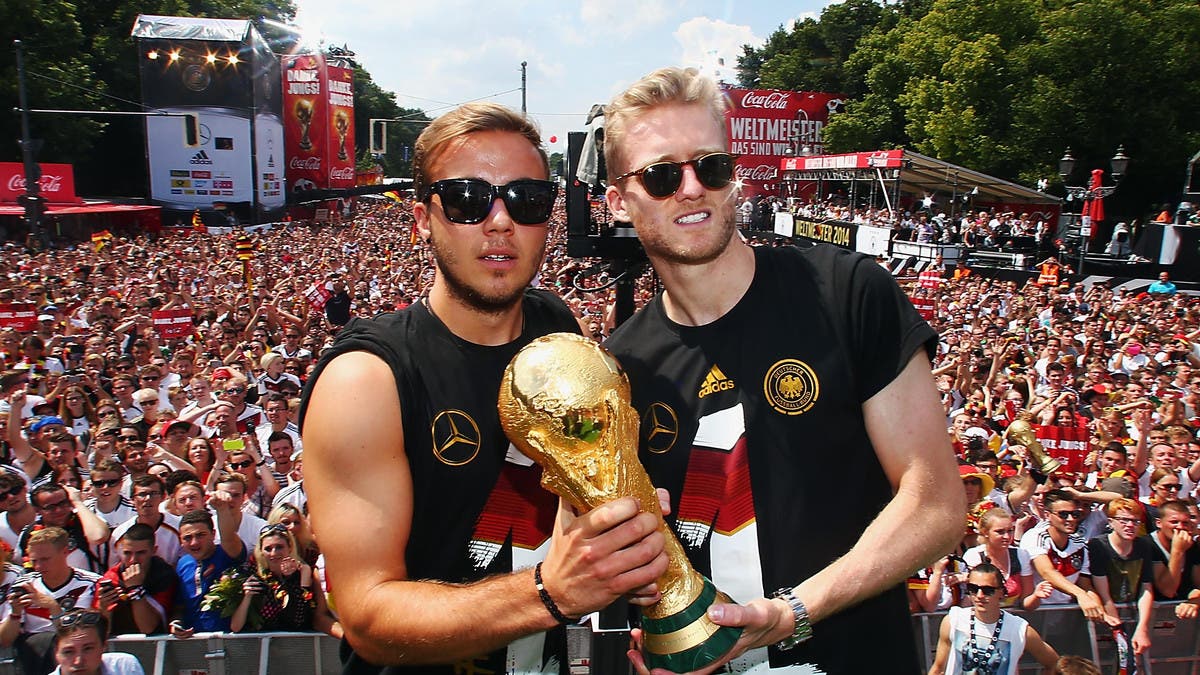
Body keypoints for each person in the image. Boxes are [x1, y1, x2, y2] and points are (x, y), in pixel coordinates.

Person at [601, 66, 964, 673]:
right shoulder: (620, 367)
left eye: (710, 166)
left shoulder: (847, 293)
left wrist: (792, 614)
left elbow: (936, 504)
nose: (691, 188)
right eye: (663, 176)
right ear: (618, 200)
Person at [301, 102, 668, 673]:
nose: (500, 221)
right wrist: (551, 593)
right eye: (468, 199)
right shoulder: (366, 379)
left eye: (526, 201)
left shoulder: (555, 328)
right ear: (423, 218)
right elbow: (367, 617)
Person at [928, 563, 1059, 675]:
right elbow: (938, 668)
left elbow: (1055, 664)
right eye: (973, 589)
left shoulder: (1019, 629)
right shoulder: (953, 620)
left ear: (1001, 592)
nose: (979, 595)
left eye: (988, 590)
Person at [229, 523, 340, 636]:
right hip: (259, 647)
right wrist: (247, 597)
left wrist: (291, 580)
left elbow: (298, 620)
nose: (274, 553)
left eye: (279, 547)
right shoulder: (254, 577)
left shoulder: (302, 573)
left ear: (290, 547)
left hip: (296, 646)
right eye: (268, 549)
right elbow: (236, 627)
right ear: (261, 551)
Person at [1086, 498, 1153, 657]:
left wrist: (1142, 628)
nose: (1130, 525)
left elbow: (1146, 589)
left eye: (1135, 521)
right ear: (1111, 522)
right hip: (1106, 616)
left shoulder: (1144, 546)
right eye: (1124, 520)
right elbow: (1104, 594)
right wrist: (1119, 630)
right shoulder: (1098, 545)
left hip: (1132, 613)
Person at [49, 609, 144, 675]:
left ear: (104, 646)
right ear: (56, 652)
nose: (78, 661)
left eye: (88, 649)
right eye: (68, 652)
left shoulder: (122, 666)